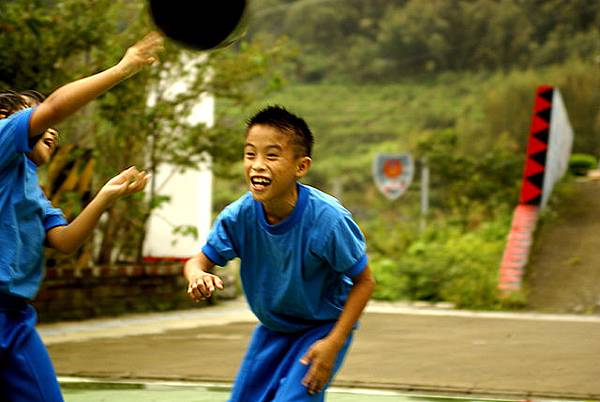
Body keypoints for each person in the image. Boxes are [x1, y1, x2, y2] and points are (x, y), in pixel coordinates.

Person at [0, 32, 163, 401]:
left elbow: (65, 241)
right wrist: (124, 68)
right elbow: (56, 105)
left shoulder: (32, 193)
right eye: (34, 113)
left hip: (15, 317)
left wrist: (105, 194)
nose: (51, 128)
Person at [184, 105, 376, 401]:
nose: (257, 164)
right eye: (250, 154)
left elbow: (364, 281)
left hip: (321, 328)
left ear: (301, 166)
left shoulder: (328, 220)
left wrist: (334, 343)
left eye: (271, 155)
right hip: (274, 328)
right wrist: (197, 275)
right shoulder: (238, 216)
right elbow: (198, 261)